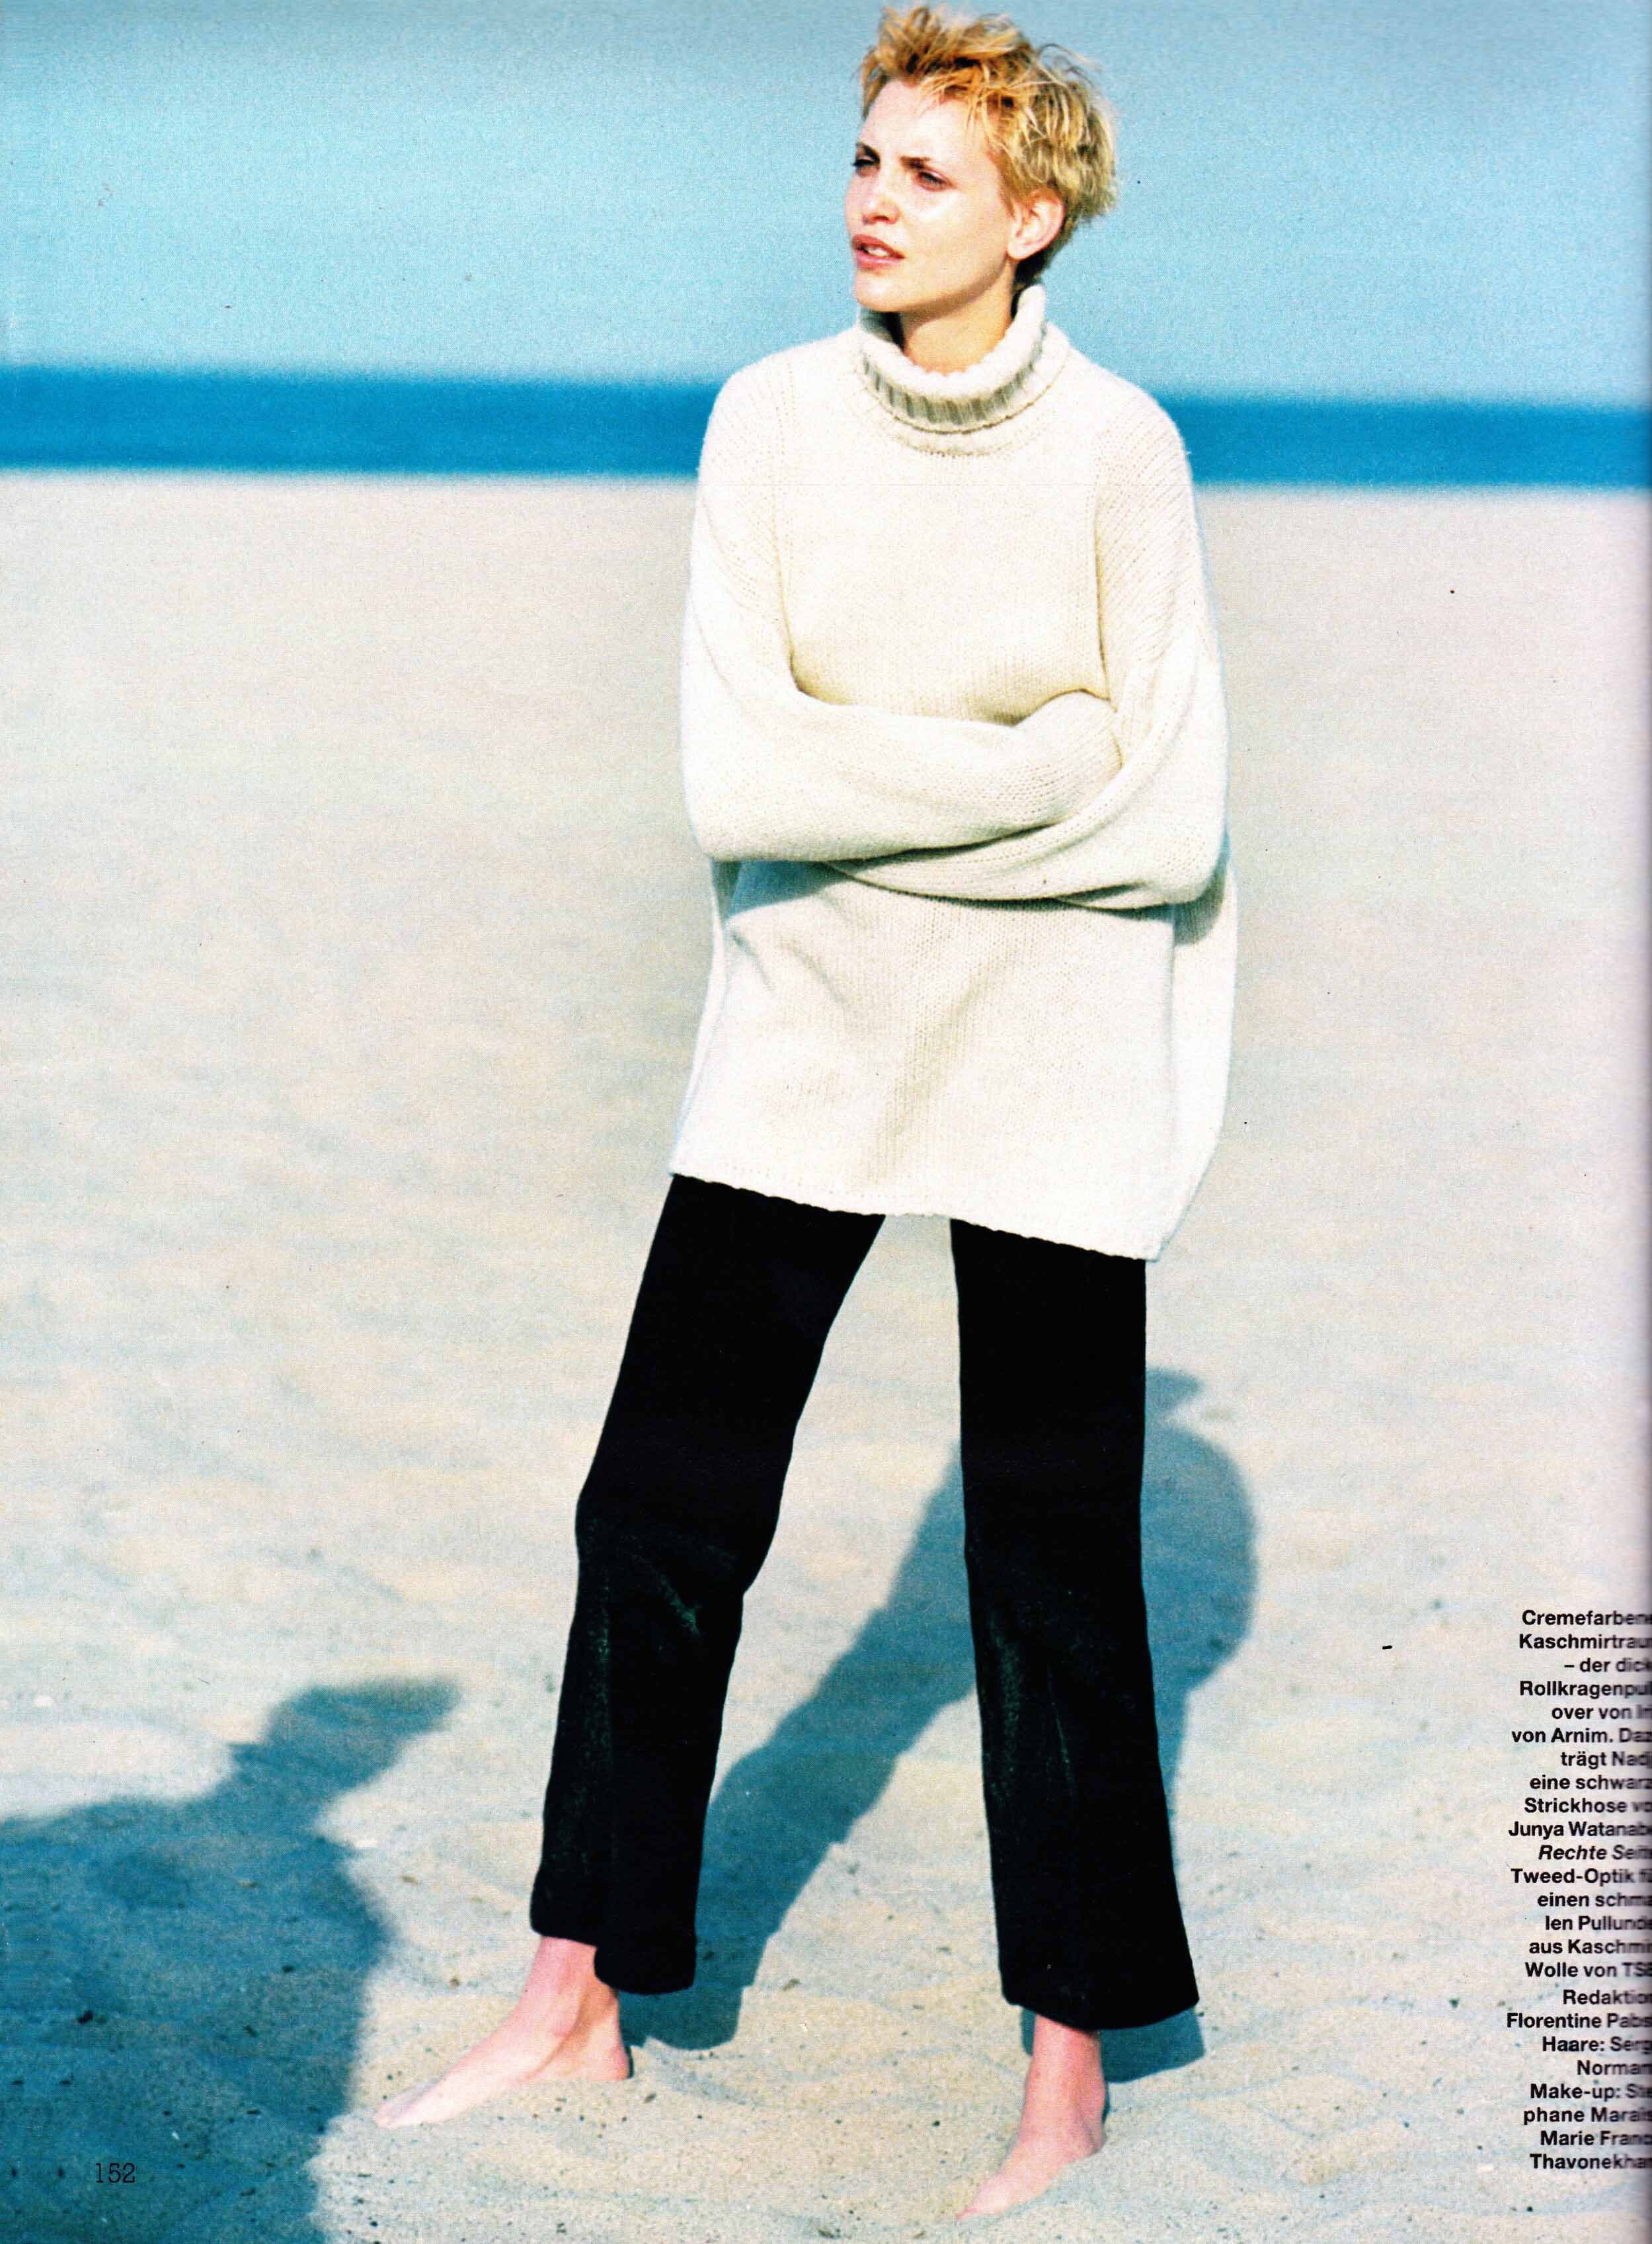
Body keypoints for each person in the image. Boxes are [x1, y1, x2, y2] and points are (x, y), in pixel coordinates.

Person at [375, 2, 1237, 2219]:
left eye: (924, 171)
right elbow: (739, 778)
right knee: (654, 1510)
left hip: (1055, 1048)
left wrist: (910, 789)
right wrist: (1037, 758)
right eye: (862, 157)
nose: (871, 198)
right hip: (803, 1033)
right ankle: (575, 1991)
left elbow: (1168, 825)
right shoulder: (766, 421)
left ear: (1028, 216)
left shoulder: (1117, 451)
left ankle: (1068, 2066)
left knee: (1051, 1562)